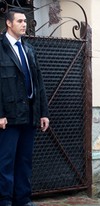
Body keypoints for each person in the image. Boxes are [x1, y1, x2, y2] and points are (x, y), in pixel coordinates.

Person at [0, 8, 50, 206]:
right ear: (9, 23)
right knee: (5, 162)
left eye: (25, 21)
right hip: (8, 118)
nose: (24, 24)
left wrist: (43, 113)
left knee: (24, 161)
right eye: (20, 21)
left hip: (29, 116)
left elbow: (39, 83)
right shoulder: (1, 47)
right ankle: (5, 201)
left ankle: (23, 199)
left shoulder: (29, 49)